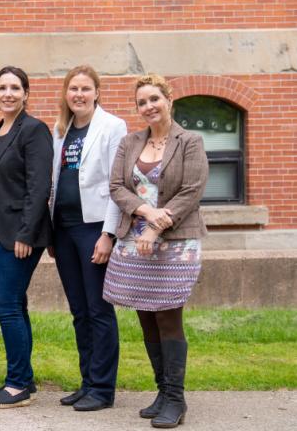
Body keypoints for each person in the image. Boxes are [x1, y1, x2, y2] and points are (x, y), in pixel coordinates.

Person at [105, 74, 208, 429]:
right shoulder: (130, 142)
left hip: (176, 242)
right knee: (145, 314)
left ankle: (176, 399)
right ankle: (162, 392)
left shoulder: (190, 141)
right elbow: (117, 186)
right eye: (142, 102)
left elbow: (191, 190)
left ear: (168, 99)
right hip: (134, 241)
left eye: (154, 99)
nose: (148, 106)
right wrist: (145, 213)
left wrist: (155, 225)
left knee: (167, 315)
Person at [48, 65, 129, 412]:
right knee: (79, 310)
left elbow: (116, 184)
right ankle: (86, 382)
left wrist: (108, 234)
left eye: (85, 89)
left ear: (97, 92)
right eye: (73, 89)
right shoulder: (61, 128)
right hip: (63, 229)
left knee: (98, 309)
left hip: (93, 228)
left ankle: (102, 387)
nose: (78, 94)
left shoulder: (112, 127)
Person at [0, 66, 53, 409]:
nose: (8, 93)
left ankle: (17, 384)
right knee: (15, 304)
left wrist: (26, 232)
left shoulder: (33, 130)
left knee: (6, 305)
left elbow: (39, 187)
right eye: (2, 88)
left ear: (26, 93)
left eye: (15, 88)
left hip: (19, 236)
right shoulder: (0, 130)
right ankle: (24, 378)